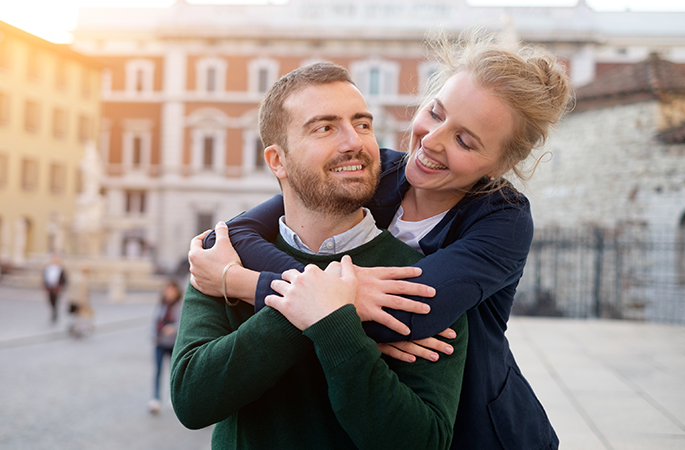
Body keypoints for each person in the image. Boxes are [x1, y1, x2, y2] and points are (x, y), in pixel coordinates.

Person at [189, 32, 573, 450]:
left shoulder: (505, 219)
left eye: (464, 140)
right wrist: (343, 297)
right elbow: (234, 233)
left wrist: (243, 283)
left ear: (503, 163)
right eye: (436, 112)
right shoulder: (376, 170)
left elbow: (405, 316)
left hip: (478, 427)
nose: (432, 140)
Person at [171, 62, 469, 449]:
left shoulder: (419, 278)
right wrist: (319, 310)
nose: (355, 142)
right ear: (278, 161)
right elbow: (192, 400)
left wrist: (329, 322)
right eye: (325, 128)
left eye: (362, 124)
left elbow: (423, 443)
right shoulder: (224, 259)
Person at [148, 279, 182, 415]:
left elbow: (182, 324)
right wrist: (153, 335)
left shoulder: (180, 306)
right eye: (167, 289)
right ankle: (155, 399)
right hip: (160, 342)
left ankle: (173, 398)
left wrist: (172, 329)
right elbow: (155, 321)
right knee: (157, 371)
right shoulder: (161, 305)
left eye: (171, 290)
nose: (168, 292)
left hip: (173, 344)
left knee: (173, 372)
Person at [42, 253, 68, 323]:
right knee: (50, 301)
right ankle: (53, 312)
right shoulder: (48, 268)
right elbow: (45, 278)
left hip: (56, 288)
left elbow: (64, 279)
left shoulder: (61, 269)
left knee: (56, 301)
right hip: (49, 287)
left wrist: (60, 287)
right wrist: (45, 286)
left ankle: (55, 314)